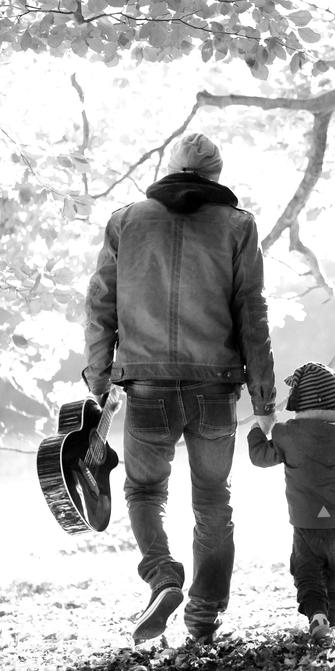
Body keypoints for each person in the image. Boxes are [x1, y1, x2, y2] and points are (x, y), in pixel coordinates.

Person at [82, 132, 276, 644]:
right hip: (214, 390)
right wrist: (263, 400)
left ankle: (162, 576)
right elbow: (251, 312)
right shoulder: (238, 225)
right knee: (214, 499)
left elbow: (100, 304)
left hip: (145, 386)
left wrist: (100, 381)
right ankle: (203, 616)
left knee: (144, 490)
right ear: (215, 174)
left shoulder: (125, 220)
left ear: (171, 168)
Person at [247, 362, 335, 641]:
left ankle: (317, 615)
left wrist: (257, 428)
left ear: (301, 402)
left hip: (306, 523)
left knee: (307, 573)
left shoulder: (286, 434)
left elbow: (259, 457)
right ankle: (333, 627)